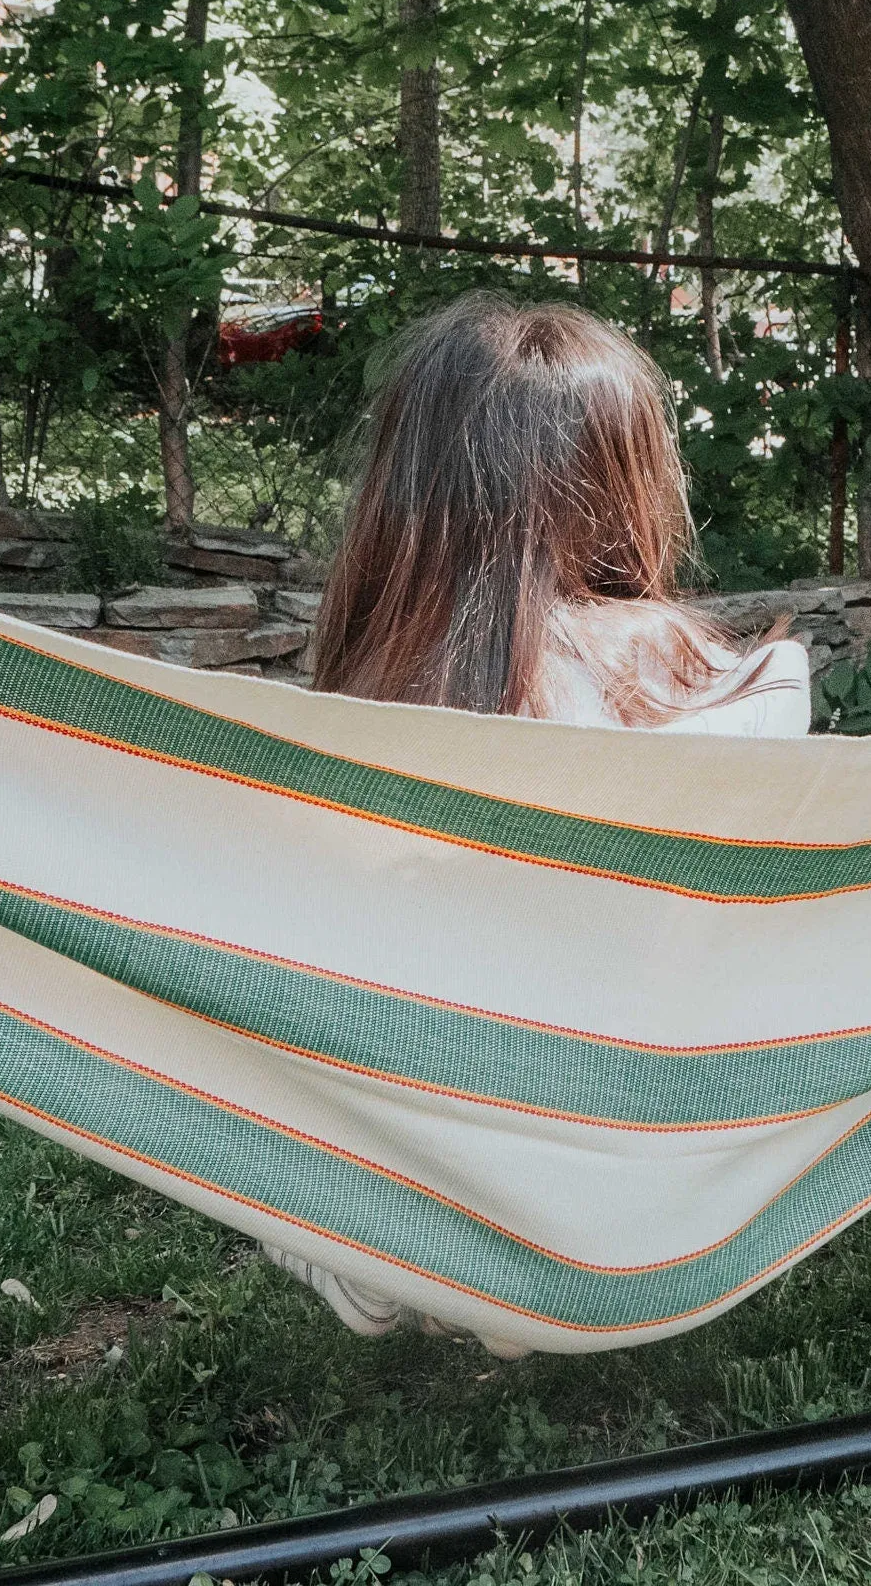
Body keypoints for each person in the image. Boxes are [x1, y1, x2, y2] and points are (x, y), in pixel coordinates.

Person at [264, 292, 811, 1352]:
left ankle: (381, 1234)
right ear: (627, 485)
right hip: (643, 1124)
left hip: (448, 1121)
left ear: (406, 498)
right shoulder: (709, 678)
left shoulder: (375, 710)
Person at [308, 291, 809, 735]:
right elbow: (778, 695)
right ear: (623, 495)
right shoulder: (673, 670)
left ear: (399, 488)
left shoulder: (352, 700)